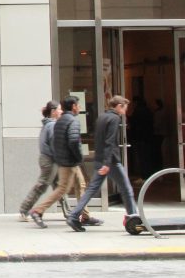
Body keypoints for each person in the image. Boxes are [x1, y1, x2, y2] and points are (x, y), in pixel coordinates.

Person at [66, 96, 139, 232]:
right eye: (125, 106)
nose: (126, 109)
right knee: (127, 189)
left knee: (91, 189)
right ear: (118, 106)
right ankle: (133, 217)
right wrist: (107, 163)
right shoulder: (115, 118)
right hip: (110, 161)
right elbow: (110, 141)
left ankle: (74, 215)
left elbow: (100, 139)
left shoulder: (102, 117)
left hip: (100, 159)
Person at [30, 95, 100, 229]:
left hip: (64, 160)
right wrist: (79, 157)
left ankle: (84, 216)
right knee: (63, 189)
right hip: (70, 161)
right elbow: (73, 141)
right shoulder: (72, 121)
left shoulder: (60, 121)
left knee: (80, 185)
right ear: (73, 106)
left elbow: (56, 142)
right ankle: (38, 211)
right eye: (78, 105)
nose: (79, 108)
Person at [18, 100, 69, 221]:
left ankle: (68, 212)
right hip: (50, 160)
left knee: (60, 186)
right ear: (53, 111)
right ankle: (24, 210)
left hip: (50, 159)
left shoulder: (48, 124)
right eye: (59, 109)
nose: (61, 111)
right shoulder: (52, 125)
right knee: (42, 185)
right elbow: (54, 144)